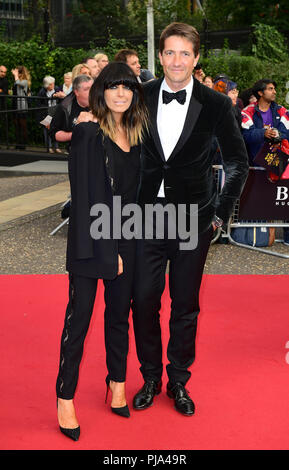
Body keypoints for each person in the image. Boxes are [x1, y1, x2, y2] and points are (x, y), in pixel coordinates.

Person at [131, 22, 249, 416]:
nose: (176, 61)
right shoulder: (138, 96)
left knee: (185, 304)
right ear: (159, 56)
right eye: (169, 52)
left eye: (185, 53)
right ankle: (149, 376)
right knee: (144, 300)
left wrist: (219, 214)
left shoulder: (216, 104)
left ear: (196, 58)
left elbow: (237, 162)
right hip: (144, 217)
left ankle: (178, 380)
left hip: (192, 218)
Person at [56, 62, 148, 440]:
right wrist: (110, 249)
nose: (121, 93)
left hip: (127, 236)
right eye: (114, 87)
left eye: (127, 86)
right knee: (78, 321)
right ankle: (65, 397)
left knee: (118, 317)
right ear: (101, 92)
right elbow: (87, 199)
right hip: (91, 240)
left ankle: (117, 382)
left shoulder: (137, 133)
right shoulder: (88, 133)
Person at [241, 78, 289, 244]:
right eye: (270, 89)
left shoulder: (283, 111)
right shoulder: (247, 111)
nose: (274, 91)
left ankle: (286, 238)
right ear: (260, 93)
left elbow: (287, 132)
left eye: (274, 88)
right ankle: (261, 237)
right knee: (260, 201)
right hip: (256, 166)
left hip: (279, 163)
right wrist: (262, 133)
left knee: (282, 200)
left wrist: (277, 135)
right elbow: (245, 135)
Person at [49, 74, 93, 154]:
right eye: (87, 89)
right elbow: (53, 133)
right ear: (76, 92)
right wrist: (74, 135)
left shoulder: (101, 103)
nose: (92, 92)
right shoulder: (65, 107)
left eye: (93, 88)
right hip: (77, 153)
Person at [37, 76, 62, 154]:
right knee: (46, 130)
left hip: (55, 113)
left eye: (53, 84)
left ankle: (56, 147)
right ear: (46, 85)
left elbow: (62, 101)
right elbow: (39, 104)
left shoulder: (57, 89)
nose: (53, 85)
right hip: (46, 114)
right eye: (51, 84)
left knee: (56, 130)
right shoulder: (42, 92)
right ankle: (49, 147)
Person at [12, 65, 31, 150]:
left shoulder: (25, 81)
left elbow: (18, 83)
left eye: (17, 72)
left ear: (20, 73)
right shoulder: (17, 80)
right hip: (16, 105)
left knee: (23, 125)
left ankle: (23, 144)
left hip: (22, 106)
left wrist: (15, 75)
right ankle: (18, 143)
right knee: (17, 125)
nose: (15, 73)